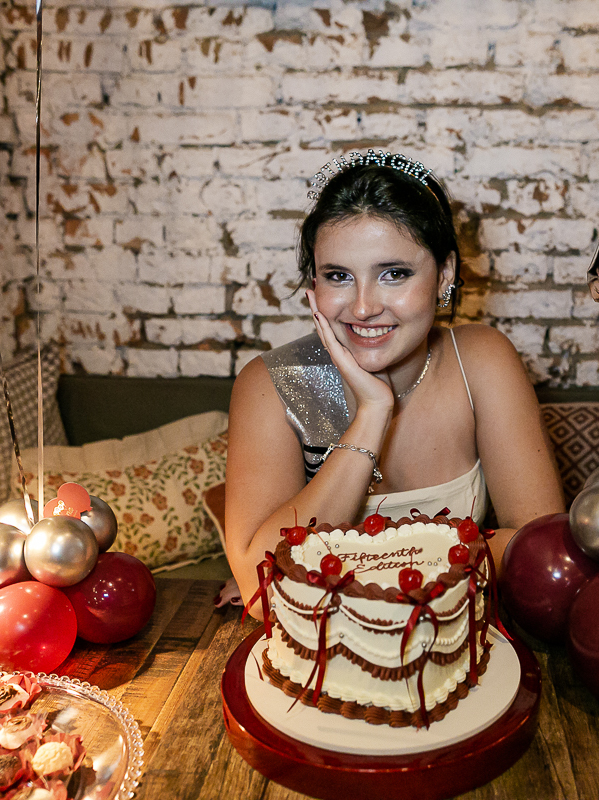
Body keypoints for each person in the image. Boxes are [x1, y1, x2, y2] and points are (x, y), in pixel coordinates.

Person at [225, 150, 565, 618]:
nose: (363, 307)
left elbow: (539, 546)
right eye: (339, 276)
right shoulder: (272, 385)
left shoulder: (482, 360)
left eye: (394, 274)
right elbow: (261, 593)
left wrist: (371, 572)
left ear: (444, 274)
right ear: (313, 284)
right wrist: (371, 416)